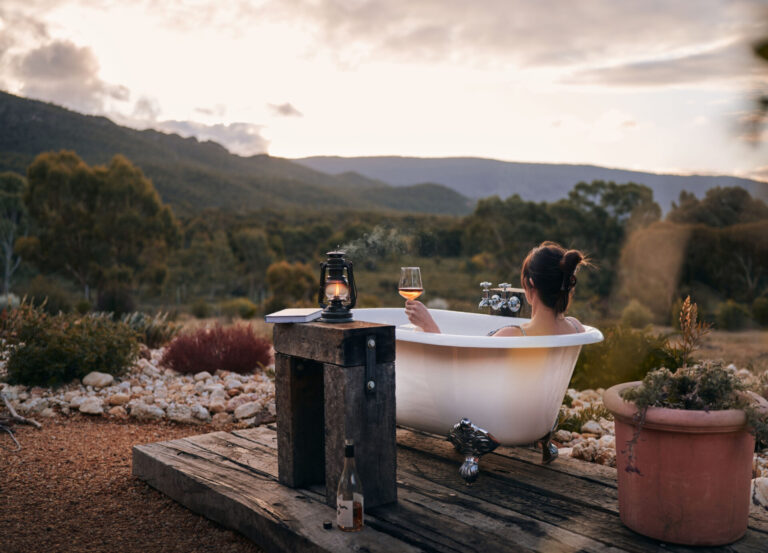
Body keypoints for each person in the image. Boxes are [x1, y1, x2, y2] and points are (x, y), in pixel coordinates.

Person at [405, 241, 588, 335]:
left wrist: (429, 326)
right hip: (546, 407)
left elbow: (457, 372)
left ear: (530, 284)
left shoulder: (513, 335)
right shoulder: (576, 327)